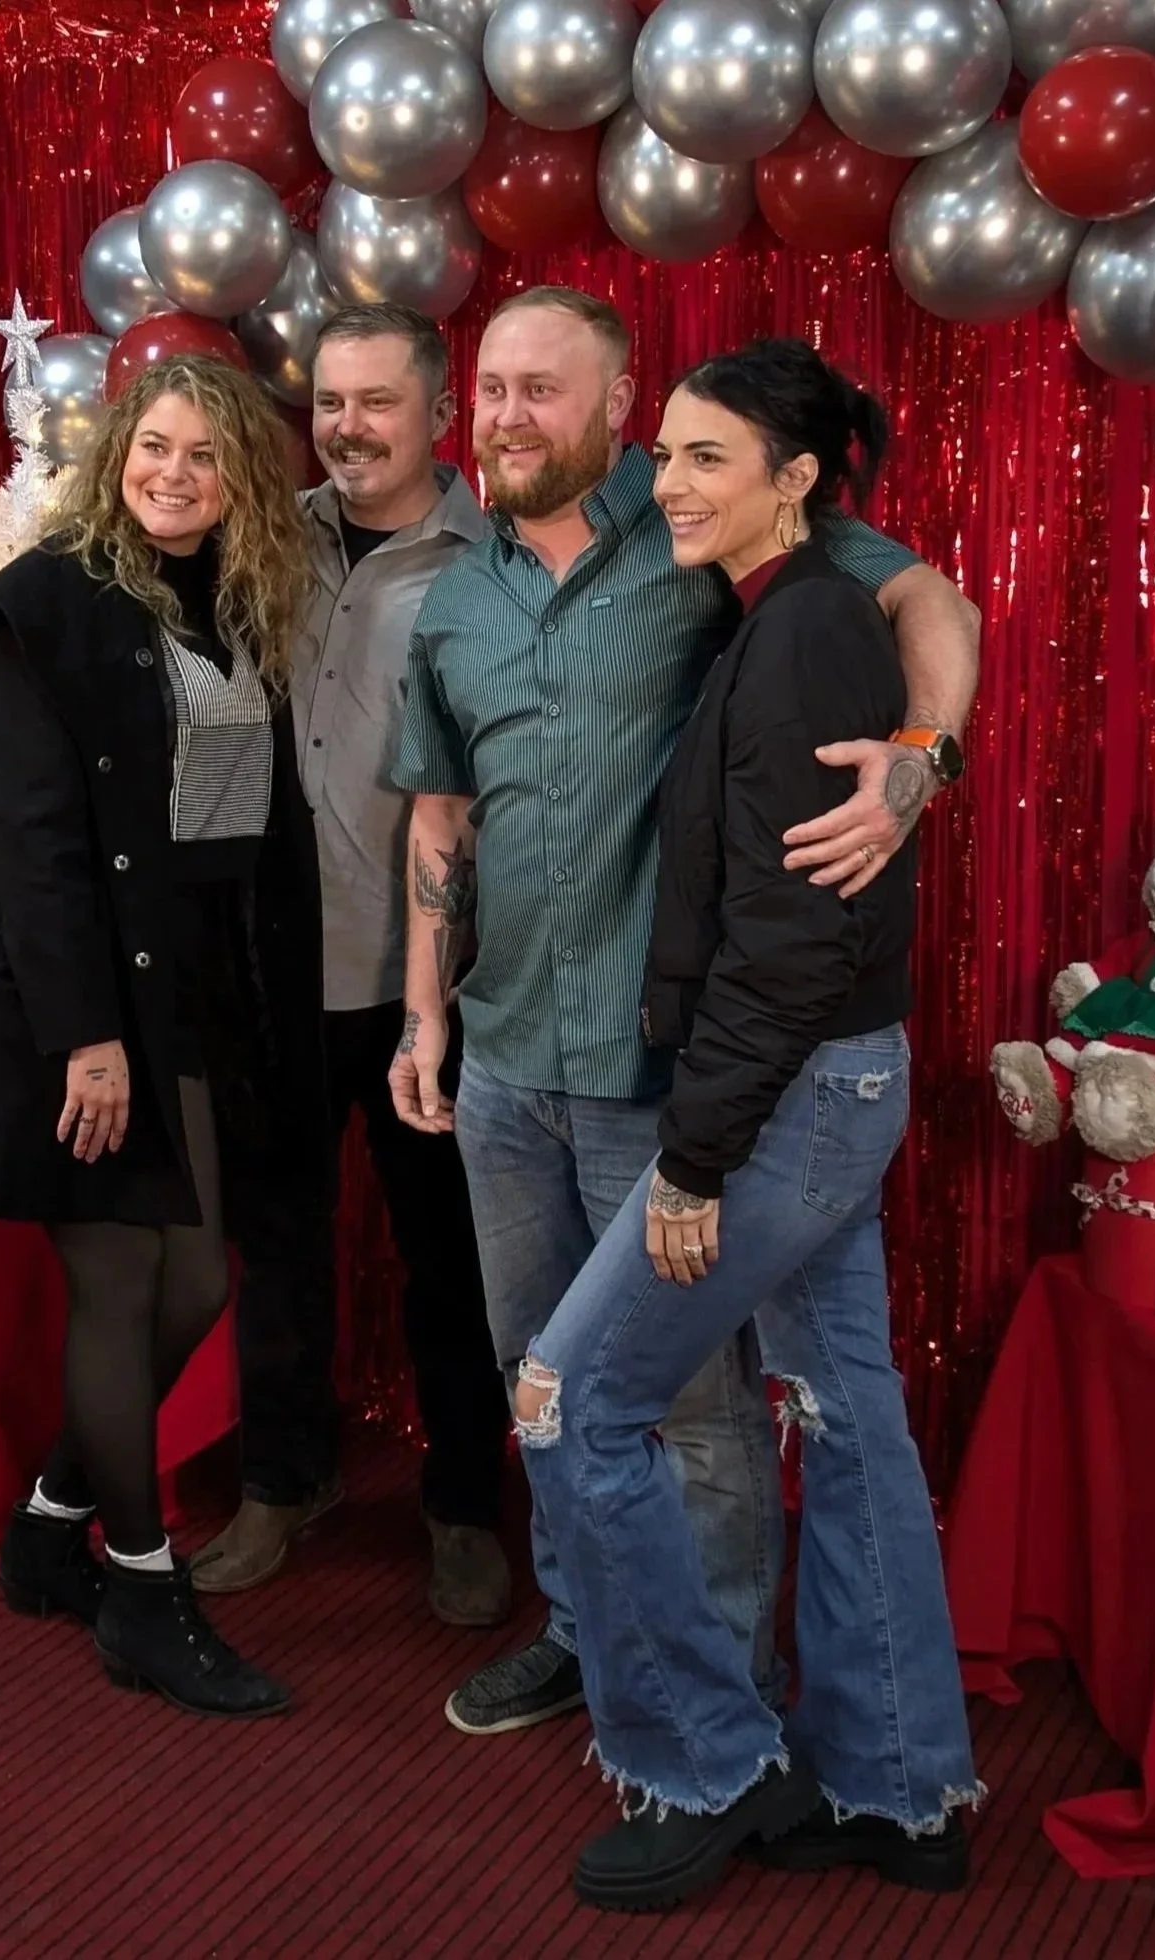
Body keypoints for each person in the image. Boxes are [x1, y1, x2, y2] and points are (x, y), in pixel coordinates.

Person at [391, 287, 979, 1739]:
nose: (511, 414)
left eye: (545, 389)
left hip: (657, 1067)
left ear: (614, 405)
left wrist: (918, 760)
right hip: (506, 1059)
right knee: (544, 1377)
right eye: (493, 388)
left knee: (697, 1414)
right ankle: (586, 1635)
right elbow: (441, 809)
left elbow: (930, 603)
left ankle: (728, 1680)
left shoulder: (708, 531)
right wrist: (421, 1016)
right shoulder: (455, 594)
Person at [512, 340, 979, 1911]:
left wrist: (695, 1160)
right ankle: (900, 1788)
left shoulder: (809, 635)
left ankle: (709, 1762)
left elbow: (792, 945)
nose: (673, 483)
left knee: (570, 1405)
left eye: (712, 458)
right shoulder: (780, 622)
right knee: (850, 1422)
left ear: (797, 482)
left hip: (784, 1100)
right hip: (824, 1083)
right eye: (667, 454)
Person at [0, 354, 326, 1720]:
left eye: (206, 455)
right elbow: (31, 845)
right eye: (155, 448)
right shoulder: (46, 610)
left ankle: (49, 1517)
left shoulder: (241, 604)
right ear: (117, 457)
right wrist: (87, 1041)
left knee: (197, 1279)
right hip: (69, 993)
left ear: (241, 475)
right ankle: (139, 1588)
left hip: (186, 992)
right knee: (124, 1282)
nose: (176, 475)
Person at [191, 305, 515, 1628]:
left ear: (436, 411)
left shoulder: (498, 565)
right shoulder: (263, 539)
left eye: (377, 402)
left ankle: (463, 1510)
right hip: (278, 968)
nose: (350, 428)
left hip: (430, 977)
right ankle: (286, 1481)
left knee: (452, 1262)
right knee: (274, 1250)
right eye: (331, 403)